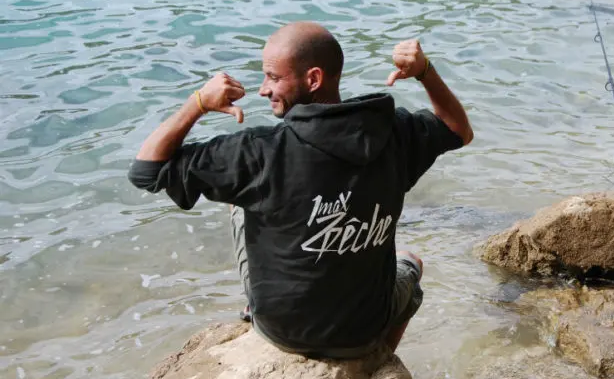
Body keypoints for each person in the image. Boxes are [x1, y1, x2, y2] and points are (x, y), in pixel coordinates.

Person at [128, 22, 473, 359]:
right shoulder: (393, 133)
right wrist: (425, 71)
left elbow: (146, 170)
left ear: (313, 79)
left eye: (274, 78)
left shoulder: (258, 152)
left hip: (281, 330)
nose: (263, 89)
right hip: (363, 331)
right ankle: (375, 360)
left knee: (238, 200)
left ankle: (260, 304)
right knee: (411, 264)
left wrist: (199, 102)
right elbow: (459, 129)